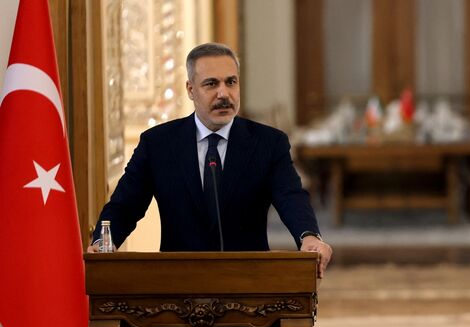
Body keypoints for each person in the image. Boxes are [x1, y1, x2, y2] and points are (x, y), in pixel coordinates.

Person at [89, 43, 332, 275]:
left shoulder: (268, 143)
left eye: (231, 82)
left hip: (252, 282)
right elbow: (125, 205)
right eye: (211, 84)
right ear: (191, 90)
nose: (223, 94)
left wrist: (308, 235)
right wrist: (102, 242)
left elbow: (290, 196)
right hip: (176, 281)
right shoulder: (158, 144)